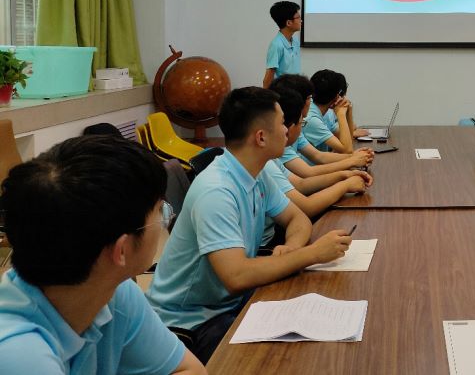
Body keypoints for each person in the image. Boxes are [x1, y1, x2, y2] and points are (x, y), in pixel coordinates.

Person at [146, 87, 351, 363]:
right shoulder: (216, 190)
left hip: (228, 303)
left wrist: (291, 248)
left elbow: (297, 219)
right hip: (189, 322)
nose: (287, 130)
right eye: (282, 123)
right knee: (285, 359)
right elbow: (237, 277)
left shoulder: (257, 172)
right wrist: (312, 253)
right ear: (261, 137)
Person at [0, 135, 205, 374]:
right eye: (160, 211)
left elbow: (190, 370)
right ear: (122, 250)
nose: (164, 220)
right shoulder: (19, 355)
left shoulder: (113, 292)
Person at [260, 88, 373, 248]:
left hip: (276, 233)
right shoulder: (265, 165)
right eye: (281, 124)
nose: (286, 129)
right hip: (265, 246)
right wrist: (346, 183)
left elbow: (301, 185)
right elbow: (306, 206)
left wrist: (344, 175)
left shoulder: (268, 160)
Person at [270, 74, 373, 175]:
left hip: (314, 173)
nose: (311, 101)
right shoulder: (309, 120)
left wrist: (355, 157)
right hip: (312, 174)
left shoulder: (320, 115)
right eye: (309, 98)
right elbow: (305, 176)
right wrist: (352, 160)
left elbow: (319, 156)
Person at [303, 69, 354, 153]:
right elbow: (348, 150)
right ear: (337, 96)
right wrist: (341, 114)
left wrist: (349, 112)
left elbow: (348, 142)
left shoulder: (326, 114)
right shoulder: (312, 119)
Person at [262, 0, 302, 87]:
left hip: (296, 90)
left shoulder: (295, 42)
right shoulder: (276, 45)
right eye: (298, 17)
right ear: (288, 23)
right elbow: (268, 77)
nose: (301, 20)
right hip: (282, 92)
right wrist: (265, 95)